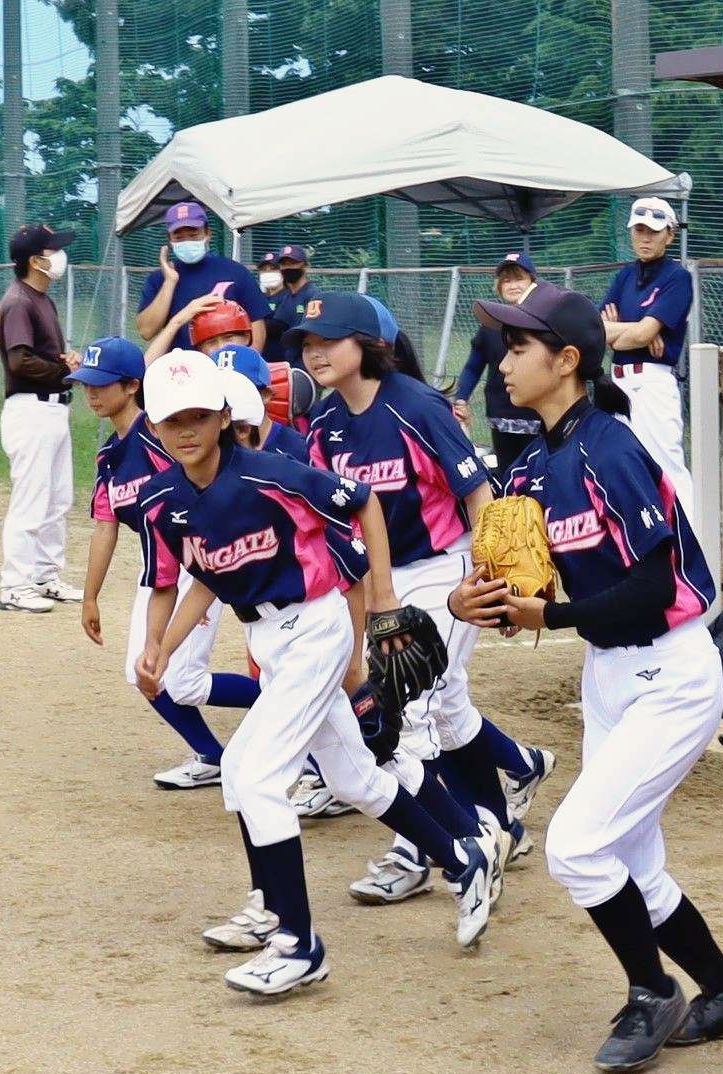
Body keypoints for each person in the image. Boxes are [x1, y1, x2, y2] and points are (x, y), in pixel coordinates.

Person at [450, 284, 723, 1073]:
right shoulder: (533, 464)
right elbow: (508, 577)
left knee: (578, 847)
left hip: (671, 671)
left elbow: (655, 587)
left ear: (567, 360)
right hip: (610, 674)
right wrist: (469, 599)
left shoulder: (611, 448)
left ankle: (652, 990)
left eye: (520, 347)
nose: (504, 359)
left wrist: (543, 620)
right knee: (633, 862)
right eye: (504, 345)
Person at [132, 350, 498, 995]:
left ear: (223, 416)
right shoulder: (163, 503)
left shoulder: (272, 476)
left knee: (253, 776)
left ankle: (297, 943)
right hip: (271, 638)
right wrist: (158, 647)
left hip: (316, 626)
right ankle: (462, 854)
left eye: (197, 415)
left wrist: (382, 599)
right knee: (353, 776)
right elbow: (196, 581)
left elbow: (364, 504)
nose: (185, 429)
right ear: (154, 428)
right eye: (170, 419)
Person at [297, 292, 552, 905]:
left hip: (446, 570)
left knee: (405, 715)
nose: (315, 353)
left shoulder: (416, 406)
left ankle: (416, 850)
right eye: (307, 344)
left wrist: (493, 579)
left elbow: (476, 492)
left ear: (368, 346)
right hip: (383, 578)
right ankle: (512, 789)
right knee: (446, 708)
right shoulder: (327, 426)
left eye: (328, 340)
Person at [73, 335, 259, 789]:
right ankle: (213, 756)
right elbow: (105, 525)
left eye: (103, 383)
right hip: (158, 572)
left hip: (200, 568)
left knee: (184, 681)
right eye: (86, 384)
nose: (92, 393)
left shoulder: (162, 437)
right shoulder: (111, 455)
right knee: (143, 672)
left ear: (133, 386)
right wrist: (89, 597)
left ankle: (297, 704)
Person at [0, 221, 82, 614]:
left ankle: (45, 576)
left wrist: (64, 362)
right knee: (31, 499)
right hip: (30, 409)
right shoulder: (19, 301)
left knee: (57, 498)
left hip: (51, 409)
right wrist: (67, 371)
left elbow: (40, 356)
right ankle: (14, 584)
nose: (58, 256)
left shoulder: (41, 298)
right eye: (52, 250)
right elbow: (20, 361)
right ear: (35, 260)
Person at [598, 196, 696, 504]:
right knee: (619, 467)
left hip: (652, 381)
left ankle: (688, 545)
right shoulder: (624, 276)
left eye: (653, 231)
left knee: (665, 467)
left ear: (669, 234)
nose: (645, 237)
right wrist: (635, 331)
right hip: (616, 382)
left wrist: (630, 331)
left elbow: (642, 334)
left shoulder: (677, 277)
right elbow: (598, 331)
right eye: (639, 230)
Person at [452, 252, 545, 474]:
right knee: (508, 474)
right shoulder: (490, 325)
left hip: (538, 416)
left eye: (519, 278)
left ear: (533, 281)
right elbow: (473, 366)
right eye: (506, 280)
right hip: (502, 416)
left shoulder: (545, 321)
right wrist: (461, 397)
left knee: (540, 474)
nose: (513, 285)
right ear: (498, 286)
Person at [133, 202, 268, 352]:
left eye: (193, 235)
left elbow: (257, 326)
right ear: (170, 240)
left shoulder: (235, 272)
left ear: (208, 233)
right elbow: (146, 331)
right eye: (179, 237)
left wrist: (248, 365)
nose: (187, 241)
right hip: (180, 369)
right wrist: (170, 282)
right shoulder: (159, 279)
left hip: (227, 367)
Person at [259, 245, 319, 360]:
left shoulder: (312, 295)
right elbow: (279, 324)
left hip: (305, 361)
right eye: (284, 264)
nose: (287, 268)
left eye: (292, 263)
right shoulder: (288, 296)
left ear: (305, 265)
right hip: (289, 360)